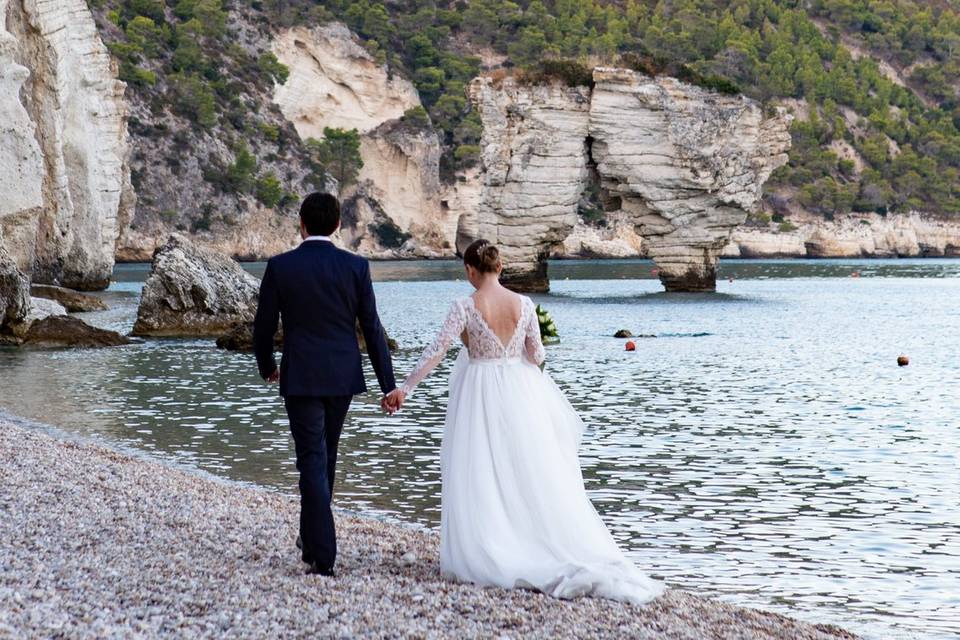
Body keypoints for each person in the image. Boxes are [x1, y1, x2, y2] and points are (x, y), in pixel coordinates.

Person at [383, 239, 664, 605]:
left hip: (479, 392)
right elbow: (537, 355)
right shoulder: (525, 304)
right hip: (520, 393)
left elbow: (436, 351)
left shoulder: (464, 306)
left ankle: (490, 544)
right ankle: (533, 539)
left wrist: (405, 388)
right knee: (527, 469)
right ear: (500, 267)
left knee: (480, 467)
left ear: (470, 270)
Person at [254, 192, 396, 577]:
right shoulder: (355, 266)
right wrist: (388, 384)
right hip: (342, 377)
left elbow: (264, 326)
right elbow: (372, 328)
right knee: (325, 455)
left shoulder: (282, 266)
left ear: (301, 223)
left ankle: (323, 552)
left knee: (313, 460)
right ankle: (311, 535)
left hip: (300, 375)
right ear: (337, 226)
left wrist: (267, 366)